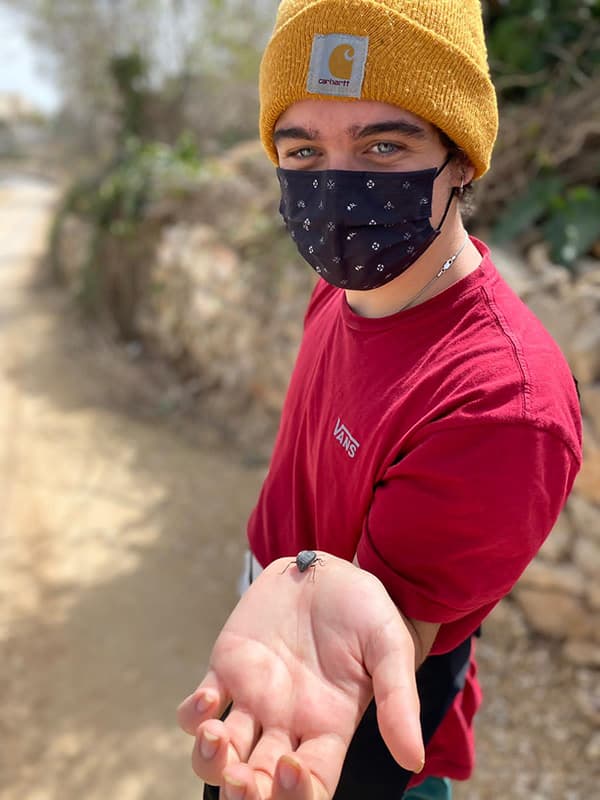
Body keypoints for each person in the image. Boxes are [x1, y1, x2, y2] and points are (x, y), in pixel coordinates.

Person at [177, 2, 582, 798]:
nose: (335, 191)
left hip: (344, 717)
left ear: (462, 156)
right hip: (270, 626)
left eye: (384, 144)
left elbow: (380, 641)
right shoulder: (341, 288)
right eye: (302, 149)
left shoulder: (502, 405)